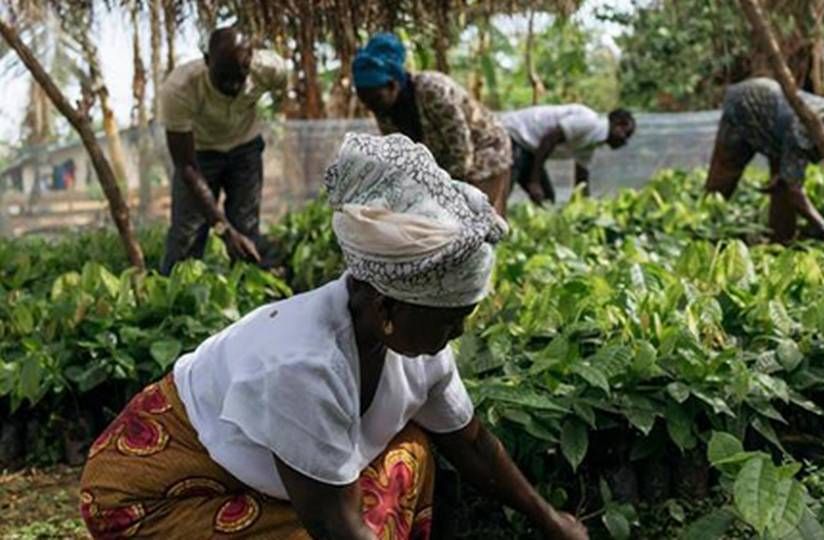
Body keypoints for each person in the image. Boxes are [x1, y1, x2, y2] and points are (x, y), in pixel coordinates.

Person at [79, 133, 589, 540]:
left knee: (414, 445)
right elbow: (337, 527)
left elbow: (471, 443)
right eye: (449, 319)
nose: (458, 332)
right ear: (388, 307)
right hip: (154, 495)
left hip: (259, 479)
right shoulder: (303, 365)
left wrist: (551, 521)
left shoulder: (414, 341)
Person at [158, 27, 288, 274]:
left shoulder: (270, 69)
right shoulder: (178, 90)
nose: (233, 86)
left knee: (246, 229)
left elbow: (283, 95)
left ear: (251, 61)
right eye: (224, 77)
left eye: (240, 77)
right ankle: (174, 304)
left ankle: (252, 297)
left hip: (246, 148)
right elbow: (185, 166)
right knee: (187, 234)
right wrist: (224, 231)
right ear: (207, 62)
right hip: (199, 155)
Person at [352, 33, 513, 216]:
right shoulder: (384, 110)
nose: (369, 106)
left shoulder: (431, 90)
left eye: (374, 98)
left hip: (483, 148)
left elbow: (459, 147)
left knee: (472, 218)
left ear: (392, 85)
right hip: (447, 161)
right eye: (363, 99)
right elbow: (402, 156)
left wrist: (444, 192)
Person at [705, 77, 824, 243]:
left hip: (775, 118)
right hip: (744, 105)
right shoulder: (799, 132)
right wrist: (823, 226)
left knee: (782, 185)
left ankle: (781, 239)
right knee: (725, 173)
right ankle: (705, 228)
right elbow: (794, 190)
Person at [502, 105, 635, 205]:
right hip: (514, 135)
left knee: (547, 201)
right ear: (617, 123)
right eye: (626, 134)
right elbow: (549, 139)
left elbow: (582, 179)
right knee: (501, 194)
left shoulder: (591, 143)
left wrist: (586, 206)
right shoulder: (589, 122)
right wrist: (534, 181)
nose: (625, 141)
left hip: (529, 149)